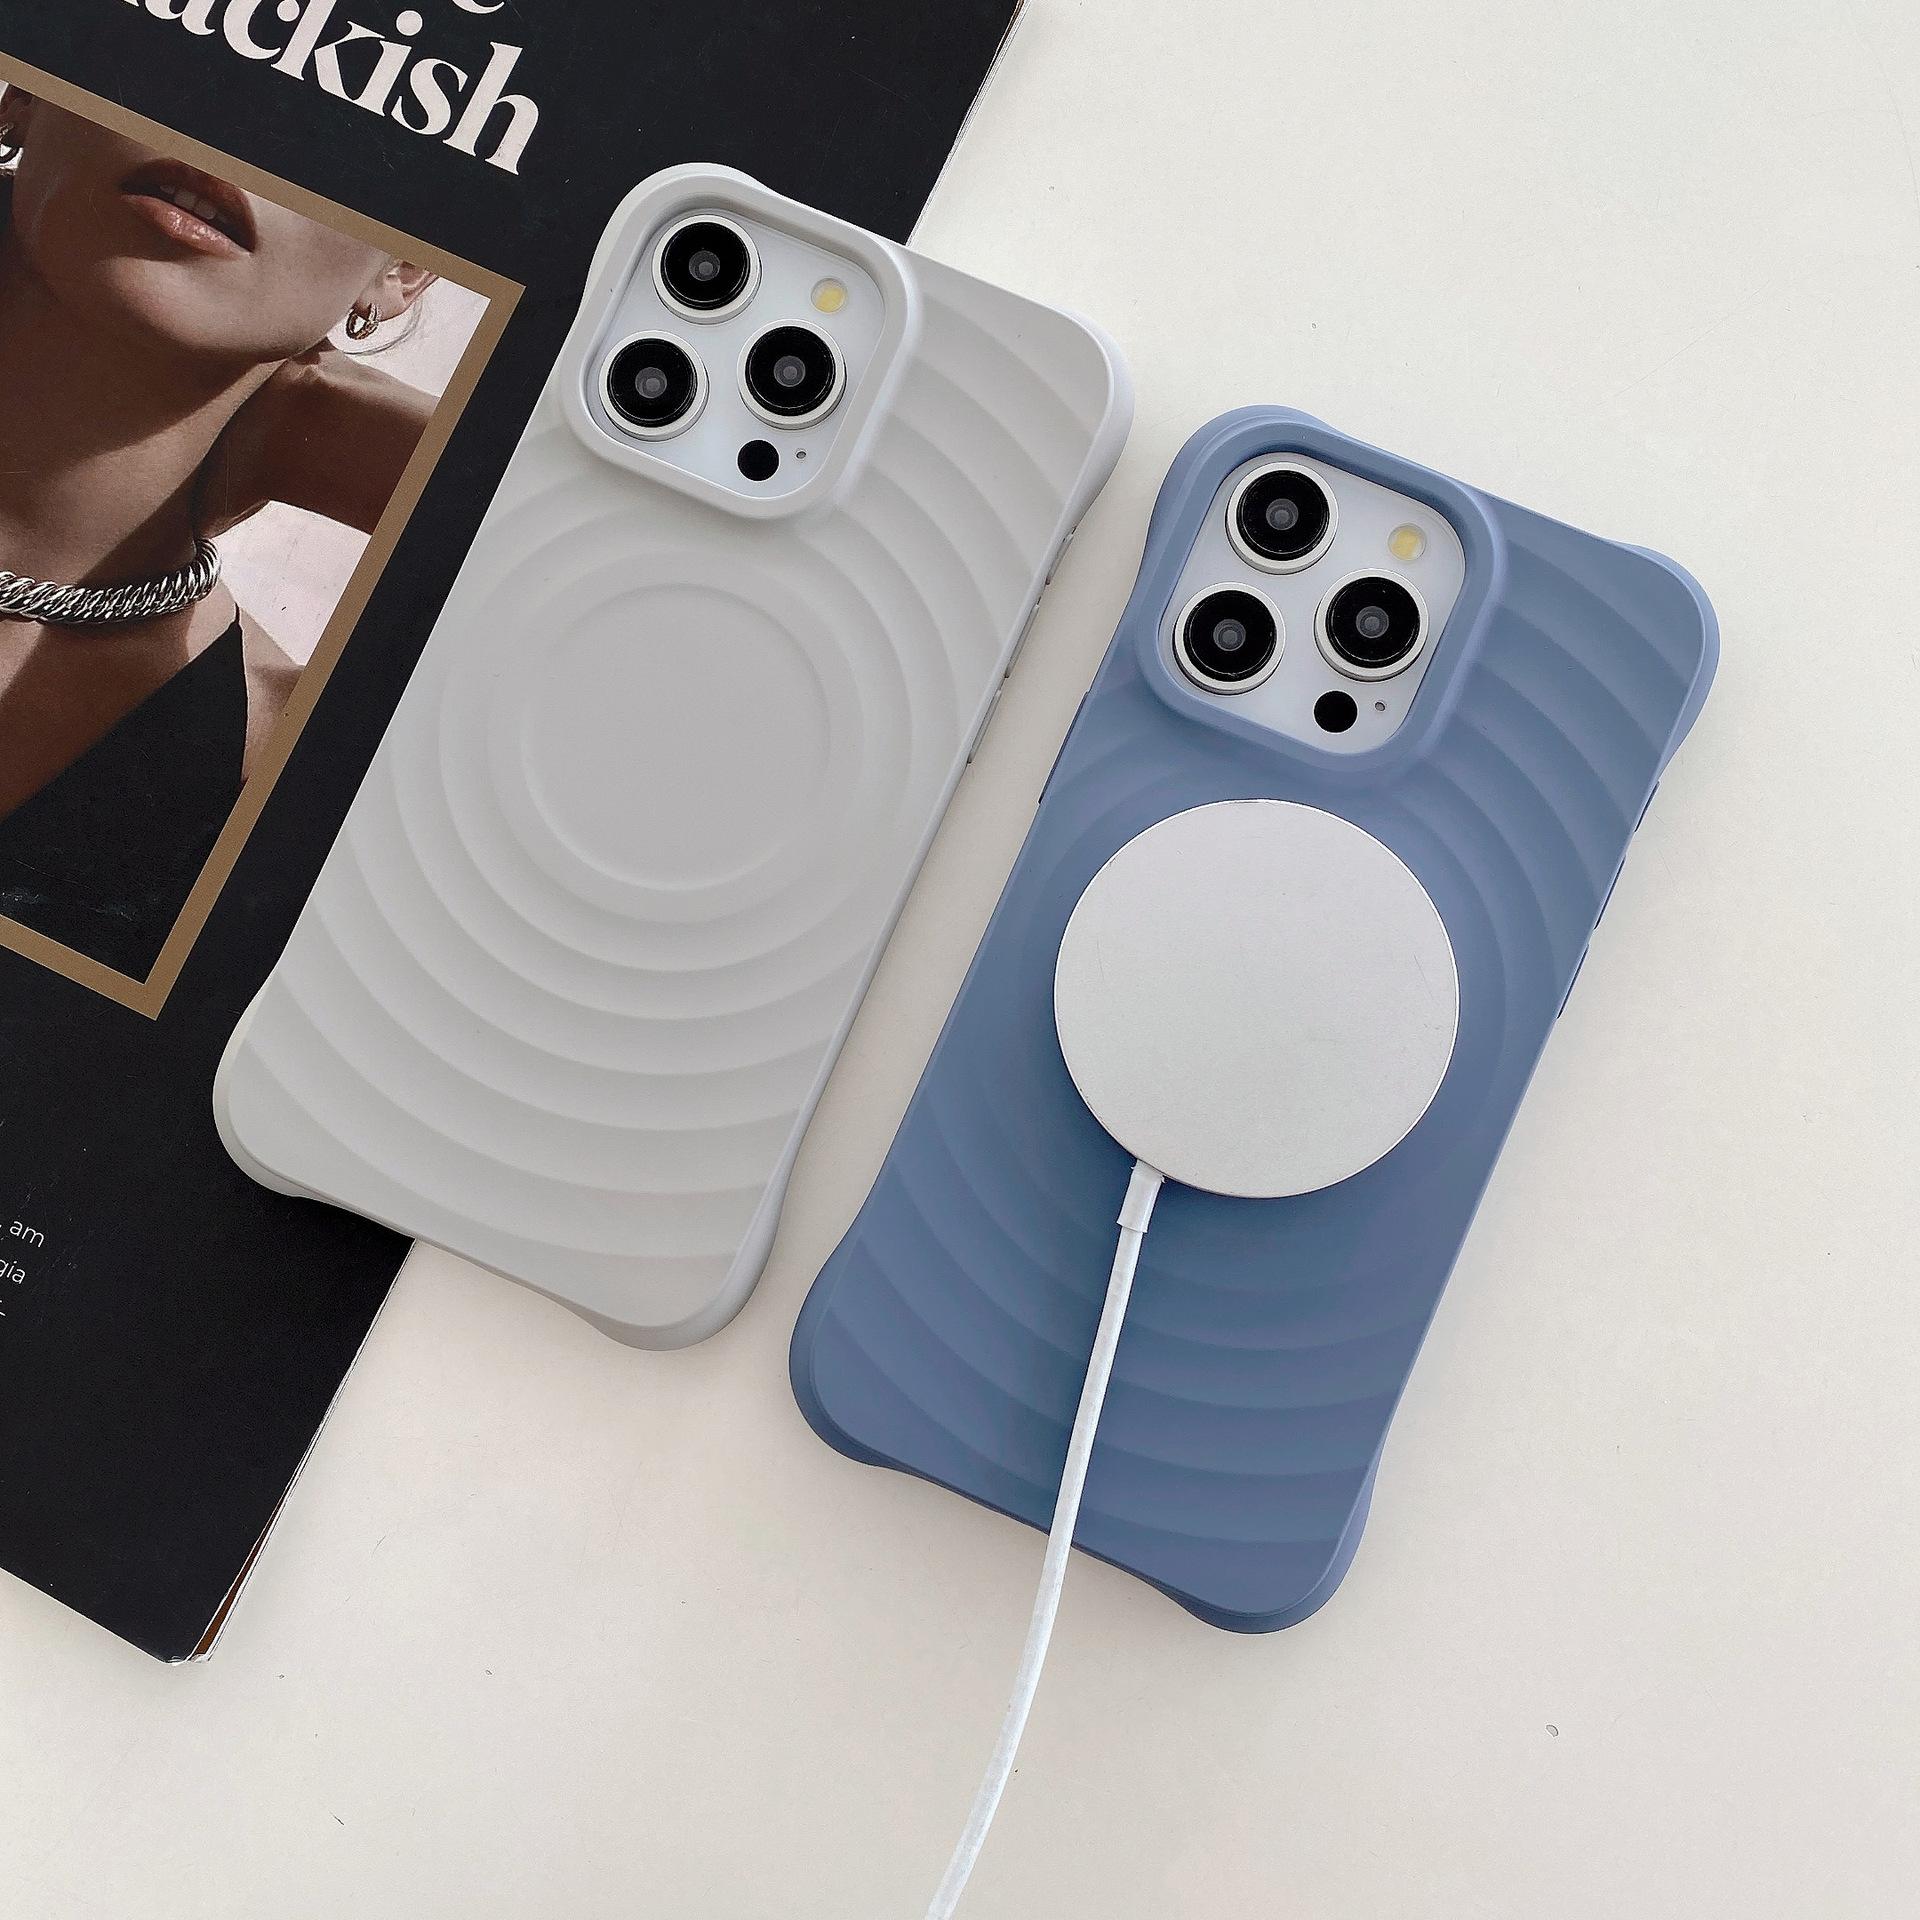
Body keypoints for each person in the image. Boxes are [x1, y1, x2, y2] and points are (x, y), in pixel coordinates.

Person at [0, 87, 439, 978]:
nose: (250, 133)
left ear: (401, 271)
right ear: (23, 95)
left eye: (362, 114)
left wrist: (442, 467)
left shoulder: (291, 765)